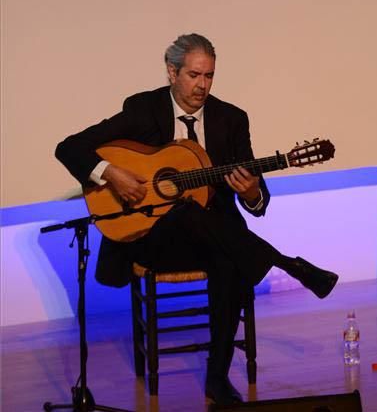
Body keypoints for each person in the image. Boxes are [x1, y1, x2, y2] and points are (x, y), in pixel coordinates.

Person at [55, 33, 338, 409]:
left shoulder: (231, 119)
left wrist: (250, 191)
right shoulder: (143, 109)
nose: (202, 85)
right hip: (151, 237)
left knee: (226, 256)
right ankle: (288, 264)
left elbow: (258, 199)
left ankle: (217, 379)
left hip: (214, 237)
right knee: (189, 213)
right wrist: (112, 174)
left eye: (209, 76)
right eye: (193, 75)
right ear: (172, 72)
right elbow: (68, 147)